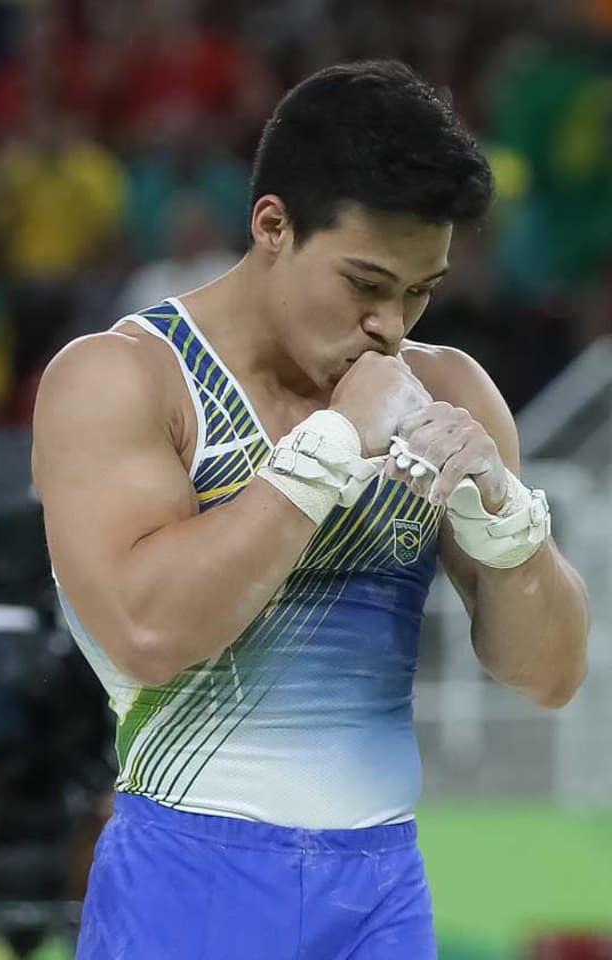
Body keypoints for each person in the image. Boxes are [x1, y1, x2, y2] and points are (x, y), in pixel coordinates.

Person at [31, 60, 589, 960]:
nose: (391, 327)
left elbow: (550, 677)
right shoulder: (125, 380)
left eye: (420, 291)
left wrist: (505, 522)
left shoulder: (447, 390)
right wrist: (326, 450)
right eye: (366, 284)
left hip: (381, 893)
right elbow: (146, 631)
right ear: (273, 226)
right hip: (188, 879)